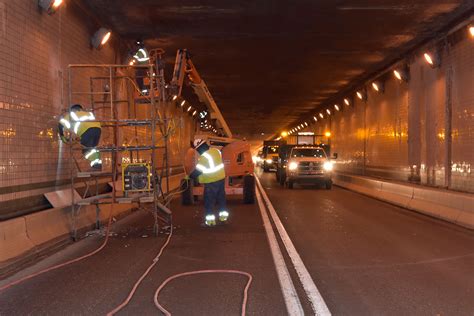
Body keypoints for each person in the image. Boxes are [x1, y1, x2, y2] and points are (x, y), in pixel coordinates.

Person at [188, 139, 229, 227]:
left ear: (199, 148)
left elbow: (198, 171)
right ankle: (223, 218)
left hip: (211, 182)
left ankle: (210, 222)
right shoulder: (216, 151)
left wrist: (189, 176)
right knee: (221, 199)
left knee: (209, 202)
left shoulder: (204, 157)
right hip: (221, 179)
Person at [58, 104, 102, 171]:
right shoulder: (88, 114)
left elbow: (61, 124)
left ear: (73, 110)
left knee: (86, 149)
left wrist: (62, 136)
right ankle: (97, 165)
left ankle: (96, 166)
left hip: (87, 130)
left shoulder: (72, 114)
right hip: (97, 130)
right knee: (92, 148)